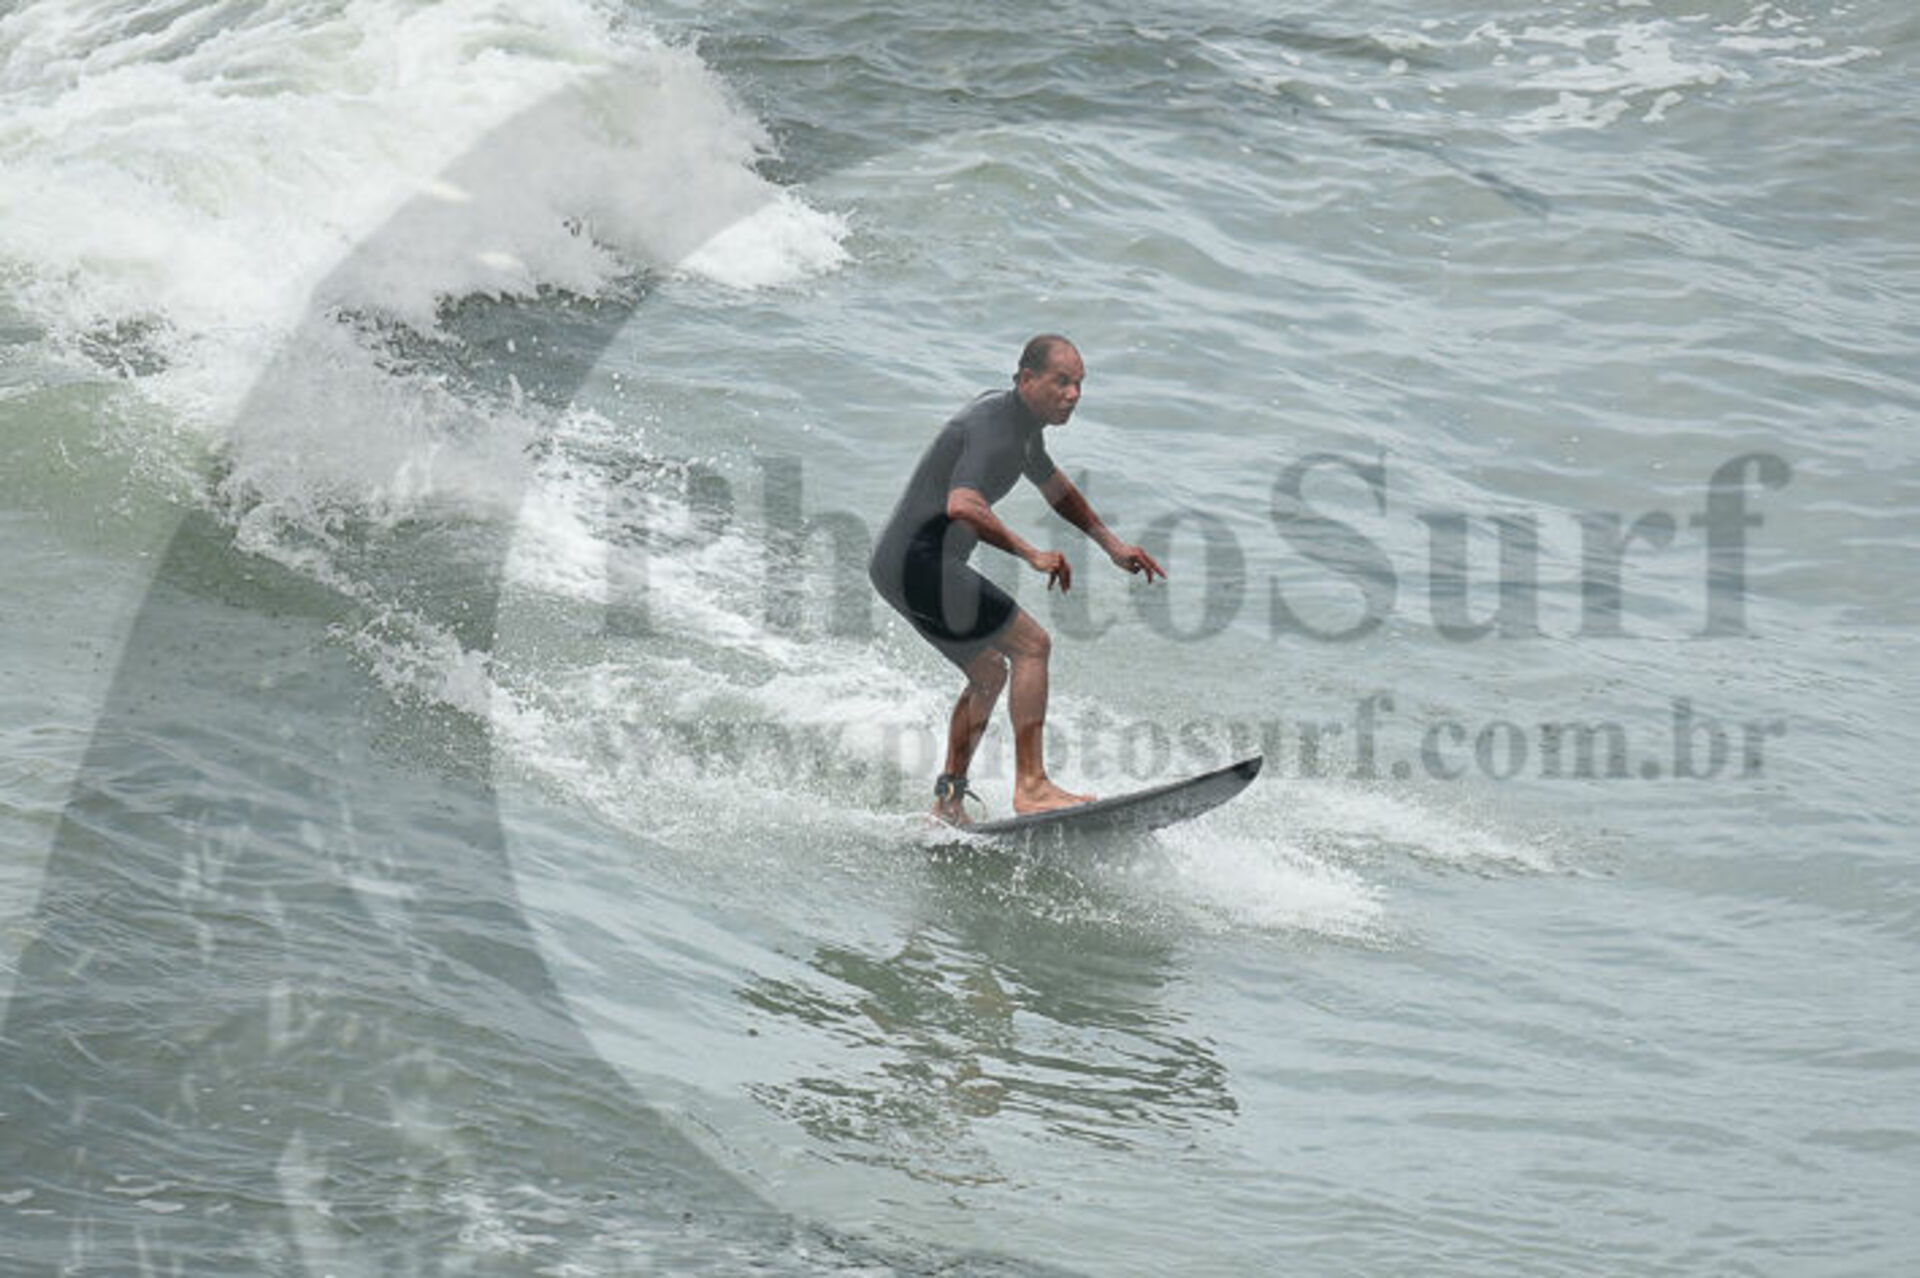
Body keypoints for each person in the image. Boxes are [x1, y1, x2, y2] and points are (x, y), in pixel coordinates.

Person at [868, 335, 1166, 824]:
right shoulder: (994, 428)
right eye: (1062, 382)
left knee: (989, 672)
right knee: (1032, 645)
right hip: (919, 562)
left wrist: (1111, 545)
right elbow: (963, 504)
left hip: (898, 564)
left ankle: (948, 801)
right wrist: (1030, 553)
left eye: (1079, 384)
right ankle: (1032, 786)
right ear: (1027, 379)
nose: (1073, 394)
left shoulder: (1022, 428)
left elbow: (1055, 487)